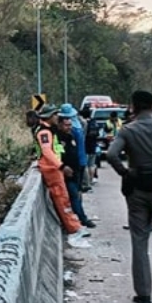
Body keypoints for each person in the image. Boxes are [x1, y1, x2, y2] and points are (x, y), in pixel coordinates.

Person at [106, 91, 152, 303]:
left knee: (139, 241)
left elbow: (111, 155)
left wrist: (125, 173)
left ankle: (143, 293)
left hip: (137, 190)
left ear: (133, 107)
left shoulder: (128, 131)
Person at [32, 105, 89, 247]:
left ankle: (74, 225)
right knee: (62, 199)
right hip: (51, 169)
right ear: (49, 116)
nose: (57, 117)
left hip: (53, 168)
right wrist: (61, 166)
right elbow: (47, 152)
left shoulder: (48, 131)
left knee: (64, 198)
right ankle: (73, 228)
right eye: (55, 115)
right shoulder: (44, 132)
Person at [57, 104, 95, 228]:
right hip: (68, 169)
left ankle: (79, 217)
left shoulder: (75, 131)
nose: (70, 125)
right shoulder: (59, 135)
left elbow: (79, 149)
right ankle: (81, 219)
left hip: (78, 166)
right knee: (73, 194)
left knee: (76, 193)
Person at [82, 106, 100, 191]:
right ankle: (92, 180)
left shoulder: (84, 123)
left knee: (86, 165)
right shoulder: (94, 122)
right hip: (93, 146)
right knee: (92, 165)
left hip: (85, 147)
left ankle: (87, 181)